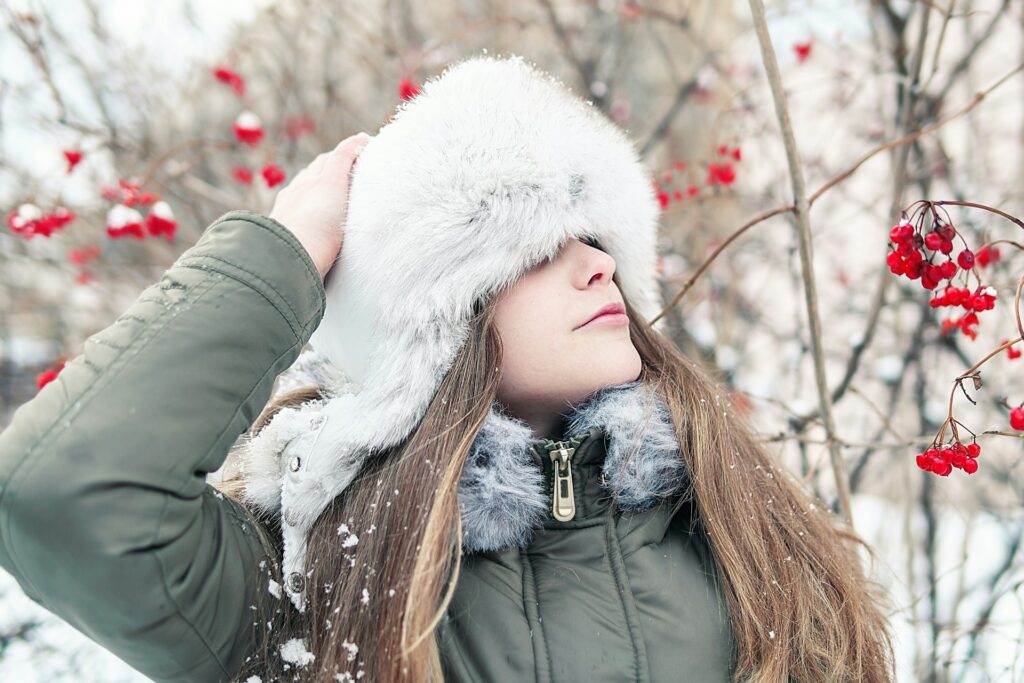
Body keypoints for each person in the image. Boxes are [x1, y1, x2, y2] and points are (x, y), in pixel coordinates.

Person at [0, 55, 897, 683]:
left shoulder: (736, 522)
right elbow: (65, 493)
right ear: (430, 326)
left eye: (595, 237)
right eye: (539, 246)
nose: (595, 265)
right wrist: (285, 250)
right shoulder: (313, 580)